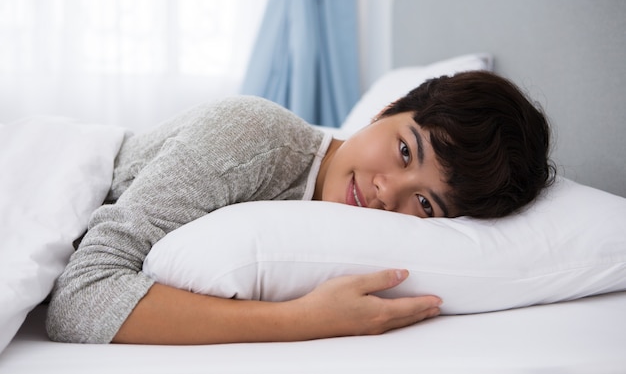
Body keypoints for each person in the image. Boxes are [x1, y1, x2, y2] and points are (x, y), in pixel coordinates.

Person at [46, 70, 555, 345]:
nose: (385, 191)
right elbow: (80, 301)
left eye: (424, 202)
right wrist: (304, 320)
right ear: (385, 111)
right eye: (405, 150)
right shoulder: (253, 137)